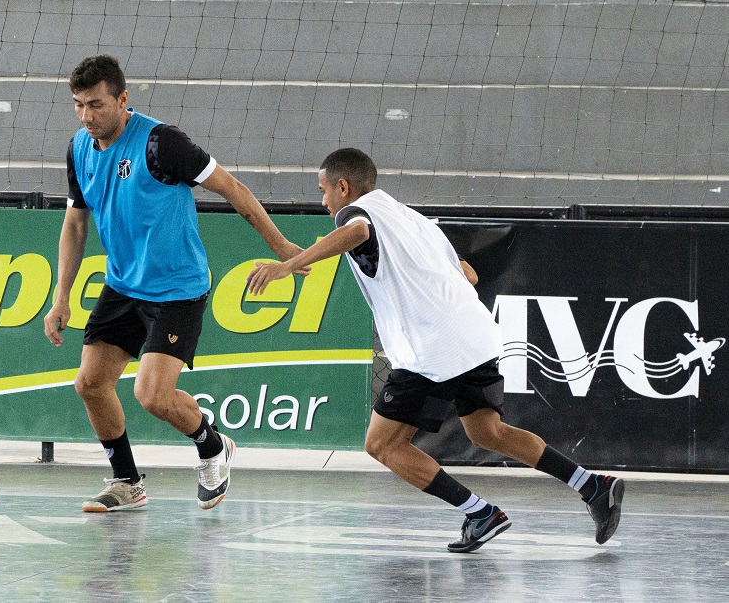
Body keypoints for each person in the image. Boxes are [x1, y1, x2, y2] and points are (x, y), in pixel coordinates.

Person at [246, 147, 625, 552]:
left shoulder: (352, 215)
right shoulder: (413, 219)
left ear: (344, 186)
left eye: (324, 191)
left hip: (432, 350)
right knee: (487, 431)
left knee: (381, 445)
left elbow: (357, 232)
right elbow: (470, 274)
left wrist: (288, 264)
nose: (323, 201)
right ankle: (592, 486)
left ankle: (480, 514)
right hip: (475, 337)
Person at [43, 54, 305, 513]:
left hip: (177, 288)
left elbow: (233, 189)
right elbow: (75, 224)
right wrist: (61, 296)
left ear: (123, 100)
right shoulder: (79, 148)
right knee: (90, 383)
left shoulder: (162, 144)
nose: (87, 116)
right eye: (79, 105)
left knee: (153, 396)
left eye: (97, 105)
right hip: (123, 284)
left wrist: (282, 246)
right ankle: (127, 482)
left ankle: (212, 445)